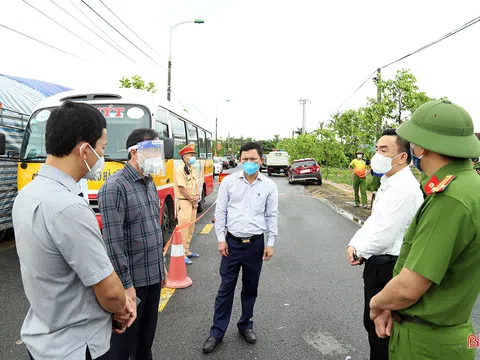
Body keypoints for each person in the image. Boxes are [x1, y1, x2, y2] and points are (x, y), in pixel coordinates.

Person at [13, 101, 136, 360]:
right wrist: (123, 308)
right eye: (102, 147)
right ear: (84, 150)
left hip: (43, 339)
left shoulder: (26, 195)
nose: (102, 155)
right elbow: (111, 292)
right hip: (79, 345)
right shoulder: (69, 207)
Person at [369, 100, 480, 360]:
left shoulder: (450, 198)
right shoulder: (471, 186)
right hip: (459, 332)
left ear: (422, 146)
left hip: (425, 343)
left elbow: (409, 287)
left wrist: (376, 304)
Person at [346, 129, 424, 360]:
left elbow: (386, 233)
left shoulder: (406, 189)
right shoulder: (389, 182)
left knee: (384, 331)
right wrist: (354, 244)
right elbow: (374, 220)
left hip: (390, 268)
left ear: (402, 157)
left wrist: (359, 250)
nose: (377, 155)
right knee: (372, 326)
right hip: (377, 264)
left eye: (384, 150)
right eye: (377, 149)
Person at [202, 142, 279, 354]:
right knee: (225, 289)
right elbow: (221, 212)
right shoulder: (229, 183)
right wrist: (221, 239)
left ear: (261, 161)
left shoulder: (269, 186)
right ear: (239, 160)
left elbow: (272, 216)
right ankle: (217, 332)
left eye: (253, 159)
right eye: (244, 159)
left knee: (250, 288)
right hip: (232, 243)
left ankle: (245, 325)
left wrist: (270, 243)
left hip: (255, 244)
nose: (248, 163)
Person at [98, 129, 166, 360]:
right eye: (154, 151)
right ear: (135, 152)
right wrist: (126, 287)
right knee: (123, 346)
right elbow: (113, 244)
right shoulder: (114, 187)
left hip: (153, 277)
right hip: (132, 283)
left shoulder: (149, 182)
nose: (159, 157)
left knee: (145, 342)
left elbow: (153, 230)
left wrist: (162, 267)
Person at [174, 143, 200, 265]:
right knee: (183, 228)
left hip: (192, 202)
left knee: (190, 227)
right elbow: (182, 188)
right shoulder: (180, 170)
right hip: (185, 202)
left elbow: (195, 185)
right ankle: (181, 254)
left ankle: (187, 250)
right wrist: (192, 199)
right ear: (184, 156)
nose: (193, 157)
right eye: (190, 154)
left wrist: (198, 196)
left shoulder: (191, 169)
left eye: (193, 154)